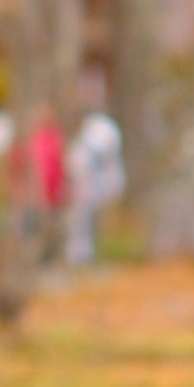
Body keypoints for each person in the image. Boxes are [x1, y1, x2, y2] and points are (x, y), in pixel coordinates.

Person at [65, 101, 125, 267]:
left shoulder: (96, 135)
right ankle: (79, 256)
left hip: (93, 188)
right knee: (79, 224)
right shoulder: (81, 142)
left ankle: (90, 255)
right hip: (83, 190)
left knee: (92, 223)